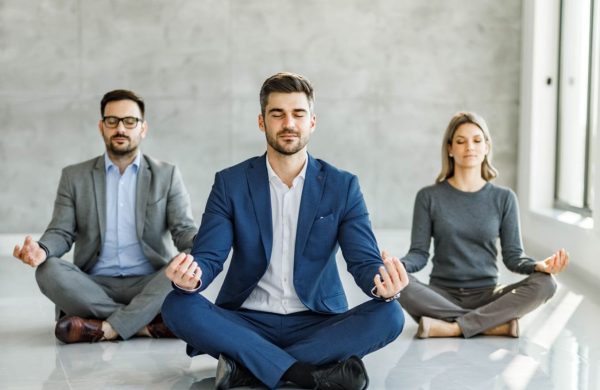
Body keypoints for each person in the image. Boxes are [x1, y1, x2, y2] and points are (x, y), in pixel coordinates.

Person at [161, 72, 408, 390]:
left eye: (298, 114)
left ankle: (248, 369)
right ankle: (306, 374)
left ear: (312, 122)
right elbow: (208, 257)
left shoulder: (342, 186)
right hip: (247, 320)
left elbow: (363, 262)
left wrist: (384, 285)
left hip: (317, 321)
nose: (288, 123)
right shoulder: (231, 183)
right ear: (262, 122)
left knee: (390, 315)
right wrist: (190, 279)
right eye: (277, 114)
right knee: (178, 305)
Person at [12, 89, 197, 343]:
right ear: (102, 126)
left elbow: (183, 230)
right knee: (47, 270)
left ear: (143, 128)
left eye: (130, 121)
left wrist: (205, 244)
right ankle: (142, 324)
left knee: (185, 264)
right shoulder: (74, 176)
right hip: (94, 284)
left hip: (149, 281)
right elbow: (61, 232)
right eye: (112, 121)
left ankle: (98, 326)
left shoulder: (167, 175)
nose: (120, 128)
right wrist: (42, 250)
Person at [392, 111, 569, 339]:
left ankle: (452, 327)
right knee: (400, 284)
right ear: (450, 148)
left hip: (487, 294)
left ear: (486, 147)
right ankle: (491, 324)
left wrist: (538, 266)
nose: (470, 147)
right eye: (460, 141)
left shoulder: (504, 198)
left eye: (477, 140)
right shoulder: (429, 197)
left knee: (546, 284)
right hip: (439, 296)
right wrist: (398, 266)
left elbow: (514, 257)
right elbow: (418, 254)